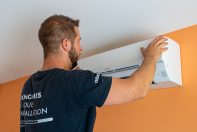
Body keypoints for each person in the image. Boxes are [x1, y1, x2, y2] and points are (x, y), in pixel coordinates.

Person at [20, 14, 168, 132]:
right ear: (66, 44)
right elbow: (138, 89)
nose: (81, 48)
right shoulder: (74, 81)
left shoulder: (29, 84)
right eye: (78, 42)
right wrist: (151, 57)